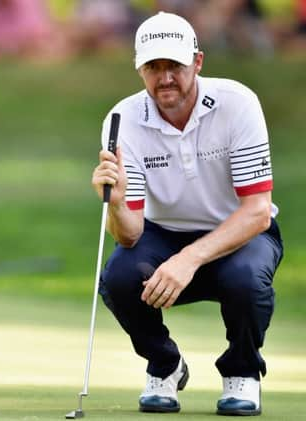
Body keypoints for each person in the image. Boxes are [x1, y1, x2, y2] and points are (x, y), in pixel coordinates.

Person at [91, 11, 282, 416]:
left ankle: (243, 372)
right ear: (139, 69)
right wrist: (117, 201)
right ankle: (165, 366)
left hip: (239, 232)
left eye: (174, 65)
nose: (165, 78)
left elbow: (258, 212)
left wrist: (188, 259)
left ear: (197, 62)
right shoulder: (123, 120)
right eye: (153, 67)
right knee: (120, 277)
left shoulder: (238, 104)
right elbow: (129, 236)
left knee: (245, 279)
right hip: (164, 232)